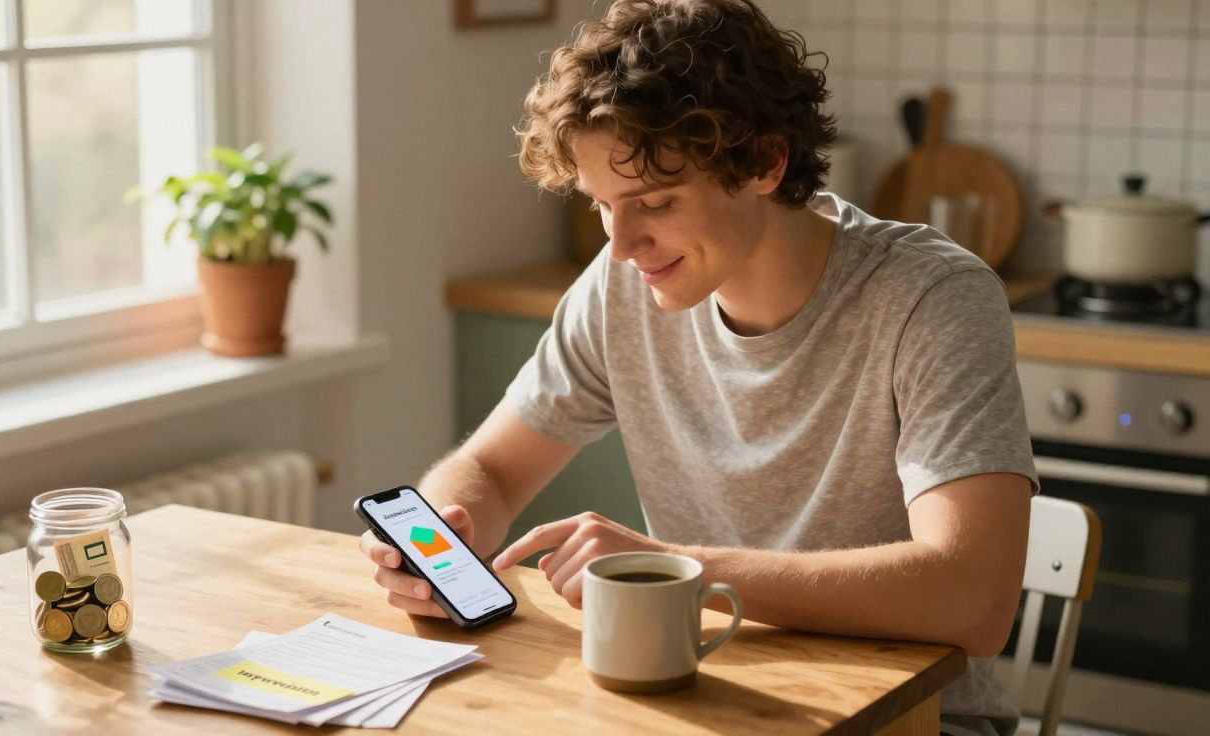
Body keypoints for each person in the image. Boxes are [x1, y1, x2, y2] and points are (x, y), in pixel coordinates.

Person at [359, 1, 1037, 733]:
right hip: (697, 699)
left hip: (913, 718)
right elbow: (491, 472)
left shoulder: (931, 299)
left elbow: (975, 599)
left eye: (652, 201)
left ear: (766, 163)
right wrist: (437, 539)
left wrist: (676, 570)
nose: (621, 245)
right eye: (602, 205)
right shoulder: (623, 288)